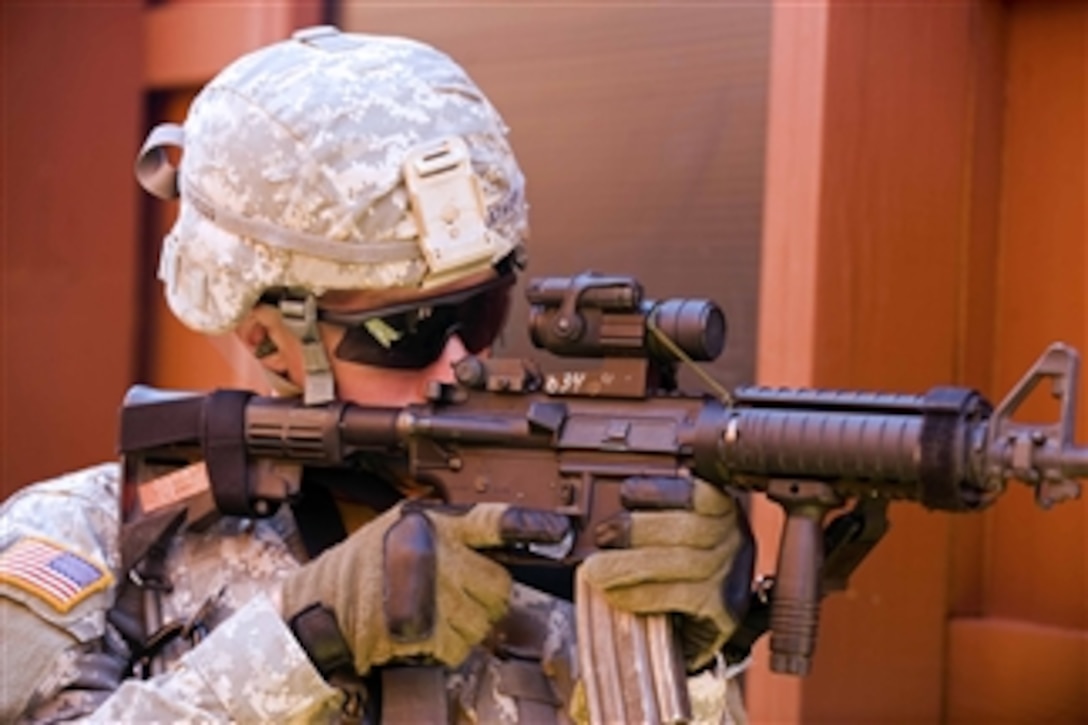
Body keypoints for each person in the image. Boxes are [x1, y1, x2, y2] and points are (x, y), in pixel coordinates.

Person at [0, 26, 753, 723]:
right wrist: (301, 640)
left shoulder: (565, 543)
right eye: (408, 331)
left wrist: (695, 661)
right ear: (266, 336)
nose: (461, 361)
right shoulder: (99, 542)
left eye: (483, 311)